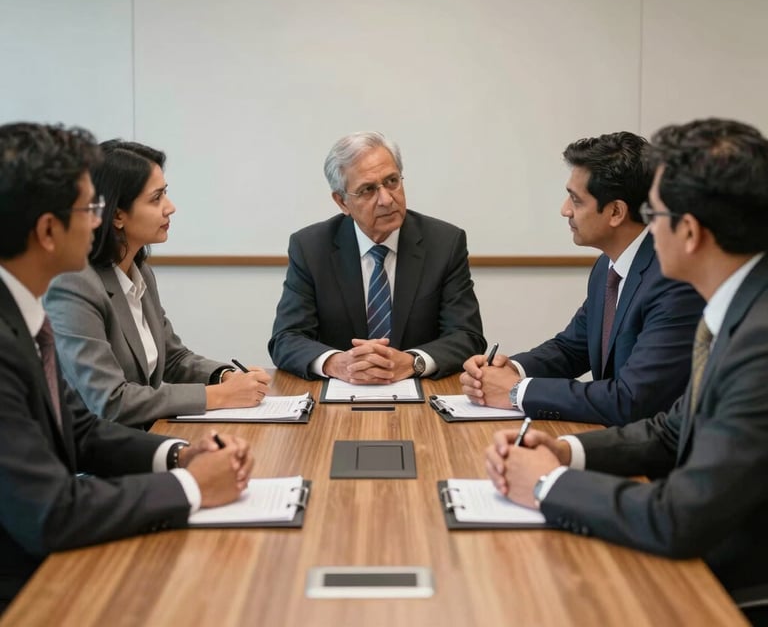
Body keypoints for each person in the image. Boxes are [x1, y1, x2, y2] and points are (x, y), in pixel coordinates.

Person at [484, 118, 768, 619]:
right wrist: (563, 450)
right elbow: (670, 428)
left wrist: (547, 485)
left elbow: (680, 516)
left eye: (653, 213)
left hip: (731, 577)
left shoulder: (758, 341)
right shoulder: (742, 308)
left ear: (690, 232)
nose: (645, 225)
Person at [0, 122, 254, 613]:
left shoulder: (24, 318)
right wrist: (192, 486)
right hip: (27, 589)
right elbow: (50, 511)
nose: (97, 222)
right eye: (89, 209)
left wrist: (182, 455)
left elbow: (83, 430)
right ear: (48, 231)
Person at [461, 132, 704, 426]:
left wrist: (515, 391)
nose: (565, 210)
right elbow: (571, 349)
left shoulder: (672, 281)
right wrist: (510, 369)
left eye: (576, 200)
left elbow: (630, 399)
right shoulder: (608, 266)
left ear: (616, 212)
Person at [43, 140, 270, 429]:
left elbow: (174, 358)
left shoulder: (139, 273)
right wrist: (219, 395)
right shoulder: (72, 286)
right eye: (156, 198)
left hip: (142, 438)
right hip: (92, 462)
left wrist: (224, 376)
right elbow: (110, 402)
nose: (170, 208)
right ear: (116, 215)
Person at [269, 131, 485, 383]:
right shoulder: (310, 247)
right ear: (342, 202)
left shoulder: (444, 243)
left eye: (392, 181)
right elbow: (286, 338)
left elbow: (467, 335)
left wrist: (414, 362)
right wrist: (335, 363)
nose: (386, 199)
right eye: (367, 190)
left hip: (422, 396)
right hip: (336, 399)